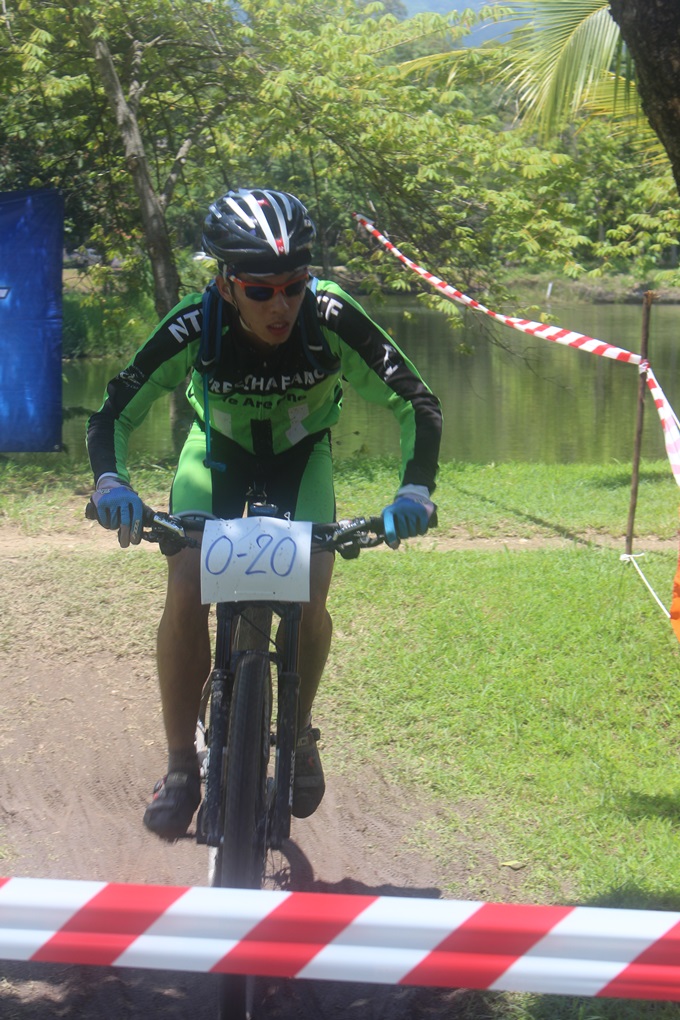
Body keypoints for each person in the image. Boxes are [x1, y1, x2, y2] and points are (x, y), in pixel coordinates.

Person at [87, 187, 442, 840]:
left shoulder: (331, 315)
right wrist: (112, 482)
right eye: (260, 291)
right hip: (215, 456)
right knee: (186, 585)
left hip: (301, 459)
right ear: (226, 285)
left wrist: (414, 491)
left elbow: (415, 401)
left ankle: (297, 733)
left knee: (309, 596)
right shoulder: (195, 323)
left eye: (294, 286)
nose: (281, 306)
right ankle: (180, 766)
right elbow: (114, 411)